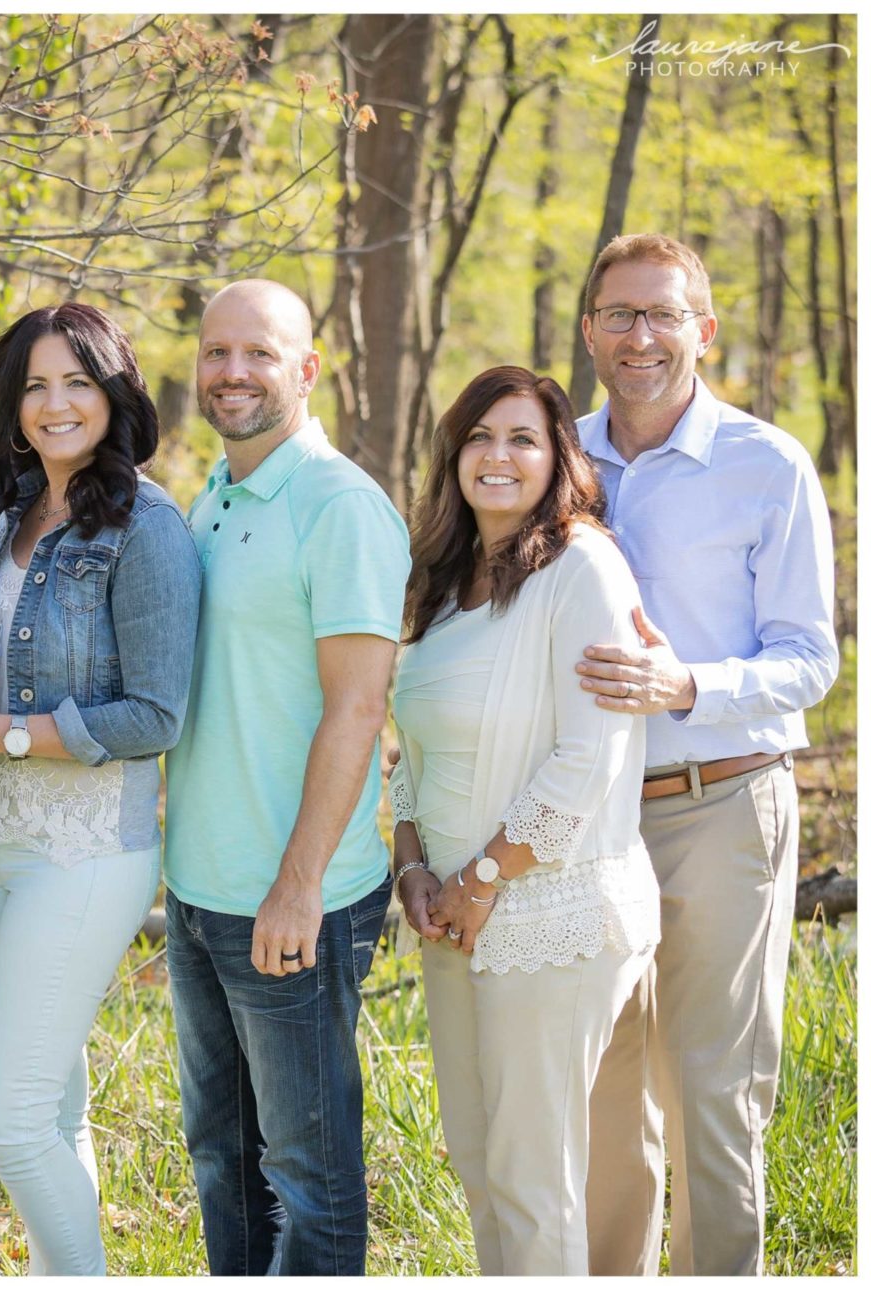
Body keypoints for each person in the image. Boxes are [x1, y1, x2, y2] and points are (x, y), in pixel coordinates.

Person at [0, 303, 199, 1274]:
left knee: (10, 1113)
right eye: (36, 384)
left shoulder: (147, 527)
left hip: (86, 852)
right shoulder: (6, 516)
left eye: (78, 381)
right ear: (12, 403)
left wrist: (6, 733)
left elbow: (156, 714)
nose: (56, 402)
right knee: (55, 1104)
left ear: (114, 393)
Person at [573, 235, 839, 1276]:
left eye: (663, 315)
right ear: (591, 327)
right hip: (584, 816)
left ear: (704, 329)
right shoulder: (556, 453)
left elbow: (809, 658)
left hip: (720, 804)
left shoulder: (764, 465)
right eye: (620, 315)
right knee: (603, 1090)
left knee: (713, 1090)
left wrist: (689, 685)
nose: (641, 336)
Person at [159, 280, 408, 1275]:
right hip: (197, 893)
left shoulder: (339, 506)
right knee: (224, 1160)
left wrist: (299, 884)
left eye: (258, 353)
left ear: (305, 369)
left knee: (309, 1176)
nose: (232, 372)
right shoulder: (208, 498)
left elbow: (358, 708)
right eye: (217, 353)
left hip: (294, 901)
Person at [388, 366, 660, 1273]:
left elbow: (592, 756)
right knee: (479, 1160)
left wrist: (483, 879)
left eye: (523, 440)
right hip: (452, 915)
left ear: (559, 460)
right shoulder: (441, 579)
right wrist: (414, 865)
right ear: (454, 455)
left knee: (535, 1176)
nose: (497, 457)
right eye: (479, 438)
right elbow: (413, 752)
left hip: (552, 912)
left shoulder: (582, 564)